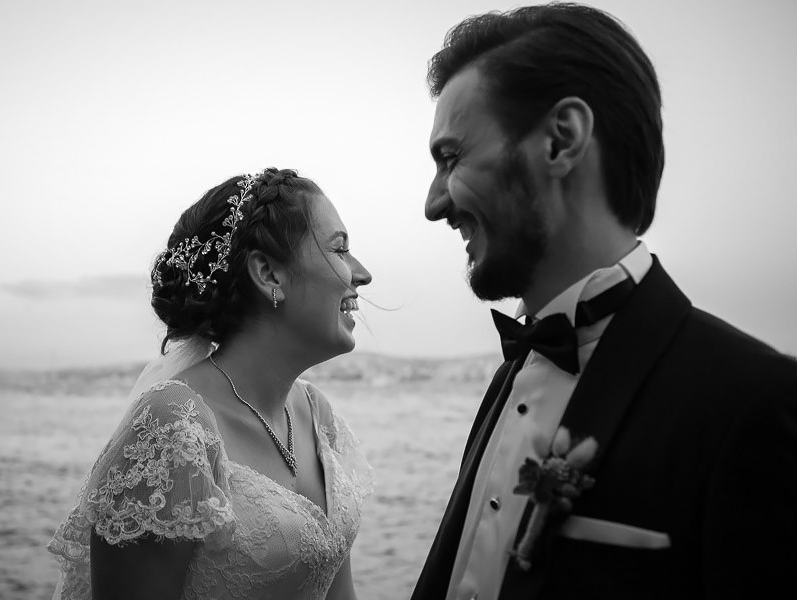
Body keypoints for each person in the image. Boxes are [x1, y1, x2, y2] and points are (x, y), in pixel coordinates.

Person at [412, 4, 797, 599]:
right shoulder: (511, 374)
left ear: (562, 140)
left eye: (451, 157)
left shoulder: (754, 404)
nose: (434, 204)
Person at [48, 167, 373, 600]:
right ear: (269, 274)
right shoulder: (173, 429)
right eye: (340, 249)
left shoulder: (318, 416)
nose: (361, 274)